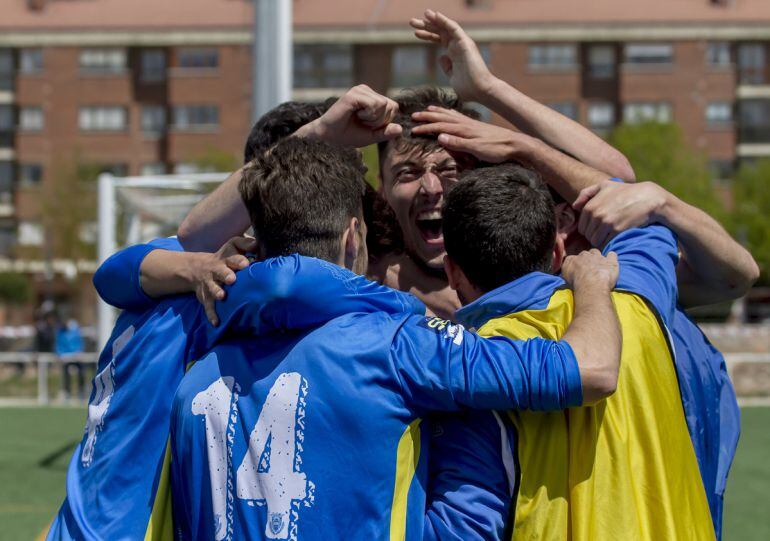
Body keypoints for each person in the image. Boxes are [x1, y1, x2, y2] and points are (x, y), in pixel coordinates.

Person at [167, 136, 622, 540]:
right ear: (353, 238)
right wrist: (592, 284)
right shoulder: (400, 347)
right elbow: (592, 369)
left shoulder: (193, 376)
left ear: (254, 246)